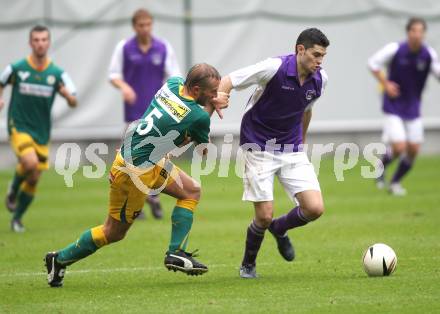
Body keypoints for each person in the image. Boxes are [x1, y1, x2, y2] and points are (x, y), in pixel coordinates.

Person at [44, 63, 229, 287]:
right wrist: (209, 108)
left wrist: (202, 109)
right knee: (113, 232)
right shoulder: (198, 116)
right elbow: (203, 147)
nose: (214, 95)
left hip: (147, 158)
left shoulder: (172, 84)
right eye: (211, 92)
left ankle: (176, 252)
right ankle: (58, 259)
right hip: (133, 172)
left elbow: (174, 118)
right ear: (197, 90)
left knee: (191, 190)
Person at [217, 28, 329, 278]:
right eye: (316, 55)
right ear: (300, 50)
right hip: (258, 146)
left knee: (314, 209)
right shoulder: (274, 67)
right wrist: (221, 97)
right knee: (264, 215)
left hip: (291, 148)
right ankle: (248, 264)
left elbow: (306, 110)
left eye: (323, 56)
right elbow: (229, 79)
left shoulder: (320, 79)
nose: (319, 61)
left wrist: (302, 142)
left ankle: (280, 228)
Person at [0, 25, 77, 232]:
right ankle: (13, 189)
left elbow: (74, 100)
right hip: (19, 125)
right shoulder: (17, 68)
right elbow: (1, 81)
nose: (40, 43)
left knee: (33, 177)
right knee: (30, 162)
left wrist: (68, 96)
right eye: (36, 40)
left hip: (42, 132)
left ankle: (17, 218)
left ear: (48, 42)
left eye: (44, 39)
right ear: (30, 43)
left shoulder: (58, 74)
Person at [108, 8, 181, 219]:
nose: (145, 28)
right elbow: (113, 74)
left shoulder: (163, 47)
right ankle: (144, 198)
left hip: (157, 112)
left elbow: (174, 77)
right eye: (141, 25)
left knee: (157, 155)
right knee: (132, 157)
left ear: (152, 25)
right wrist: (124, 87)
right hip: (133, 113)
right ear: (134, 27)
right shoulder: (124, 48)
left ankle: (150, 197)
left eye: (148, 24)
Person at [368, 17, 440, 196]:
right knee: (399, 147)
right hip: (393, 106)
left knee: (414, 150)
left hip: (413, 107)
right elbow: (372, 63)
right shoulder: (395, 49)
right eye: (414, 31)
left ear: (424, 34)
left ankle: (395, 182)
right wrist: (386, 83)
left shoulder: (428, 54)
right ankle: (380, 166)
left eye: (420, 31)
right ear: (408, 32)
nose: (417, 35)